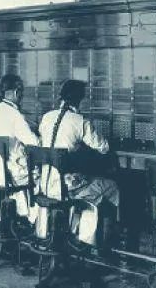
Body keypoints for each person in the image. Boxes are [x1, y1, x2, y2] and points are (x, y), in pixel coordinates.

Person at [37, 79, 119, 247]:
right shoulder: (80, 121)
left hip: (44, 185)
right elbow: (103, 147)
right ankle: (101, 246)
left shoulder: (46, 118)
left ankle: (74, 230)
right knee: (112, 187)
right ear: (79, 100)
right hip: (67, 190)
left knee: (87, 179)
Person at [0, 74, 39, 223]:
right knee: (41, 176)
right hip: (9, 176)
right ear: (17, 93)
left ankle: (8, 218)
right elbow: (34, 143)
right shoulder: (14, 114)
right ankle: (31, 221)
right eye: (21, 93)